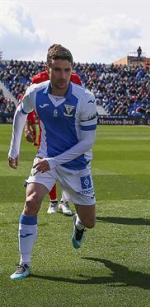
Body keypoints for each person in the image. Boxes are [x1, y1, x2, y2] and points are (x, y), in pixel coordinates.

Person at [7, 44, 98, 280]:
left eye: (67, 70)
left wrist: (55, 161)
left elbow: (87, 142)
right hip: (45, 158)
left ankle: (78, 225)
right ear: (48, 68)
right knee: (31, 200)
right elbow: (20, 112)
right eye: (57, 69)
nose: (62, 76)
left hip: (76, 165)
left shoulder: (85, 99)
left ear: (72, 70)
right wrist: (13, 150)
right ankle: (24, 263)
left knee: (90, 222)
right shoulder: (36, 93)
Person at [29, 49, 83, 216]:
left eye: (65, 69)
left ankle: (64, 202)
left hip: (68, 131)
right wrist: (29, 127)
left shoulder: (74, 79)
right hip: (47, 130)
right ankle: (52, 202)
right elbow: (27, 105)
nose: (62, 73)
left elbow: (80, 102)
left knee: (69, 166)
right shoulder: (37, 80)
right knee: (46, 164)